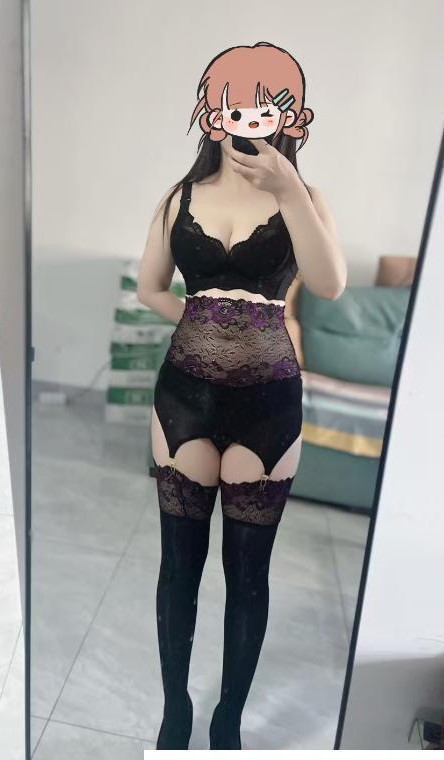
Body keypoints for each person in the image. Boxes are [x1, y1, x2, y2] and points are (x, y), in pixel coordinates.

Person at [136, 42, 346, 751]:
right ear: (212, 114)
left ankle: (227, 720)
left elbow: (329, 285)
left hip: (268, 404)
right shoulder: (179, 196)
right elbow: (150, 288)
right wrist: (208, 322)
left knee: (248, 574)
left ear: (290, 117)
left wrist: (290, 192)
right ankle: (175, 712)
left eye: (264, 109)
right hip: (184, 398)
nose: (247, 121)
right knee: (178, 566)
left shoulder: (305, 199)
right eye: (234, 108)